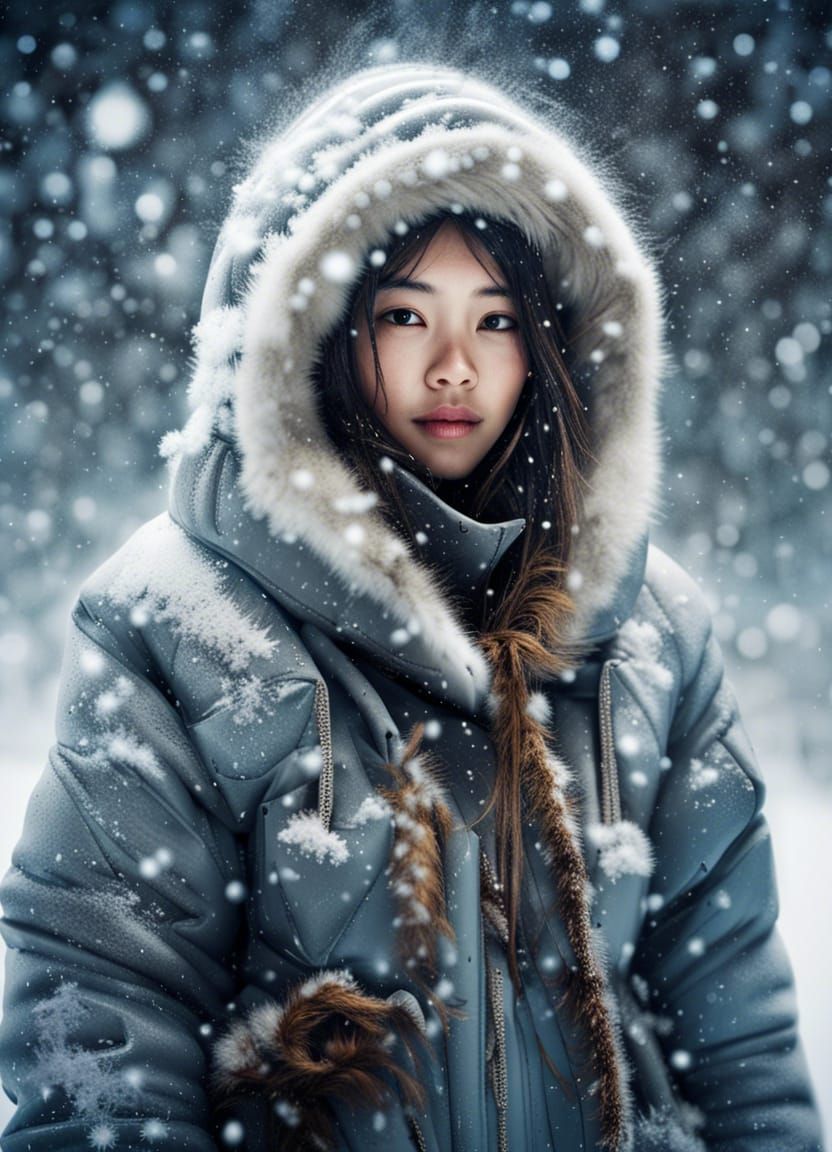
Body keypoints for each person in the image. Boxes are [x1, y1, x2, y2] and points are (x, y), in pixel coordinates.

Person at [0, 61, 824, 1152]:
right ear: (317, 331)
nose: (453, 368)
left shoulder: (654, 633)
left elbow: (737, 1042)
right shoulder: (175, 627)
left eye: (495, 321)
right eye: (403, 314)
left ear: (553, 346)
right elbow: (100, 1031)